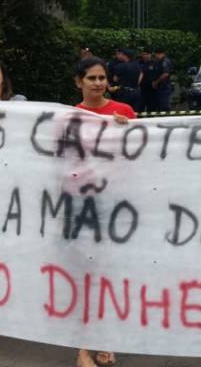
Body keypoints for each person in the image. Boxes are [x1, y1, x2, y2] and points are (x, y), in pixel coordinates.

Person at [72, 56, 134, 367]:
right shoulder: (69, 116)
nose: (97, 83)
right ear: (78, 82)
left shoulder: (124, 112)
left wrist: (126, 131)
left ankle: (106, 340)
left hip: (116, 206)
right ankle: (83, 348)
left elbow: (139, 155)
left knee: (110, 274)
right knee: (85, 275)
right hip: (80, 208)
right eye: (91, 78)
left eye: (102, 78)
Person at [150, 47, 174, 113]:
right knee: (160, 105)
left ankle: (167, 119)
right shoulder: (159, 61)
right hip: (160, 87)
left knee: (164, 105)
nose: (156, 56)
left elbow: (165, 74)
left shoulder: (165, 61)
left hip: (164, 87)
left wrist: (156, 82)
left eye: (157, 54)